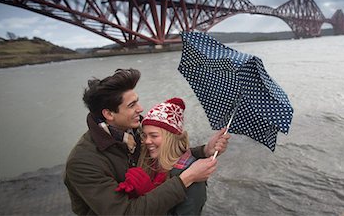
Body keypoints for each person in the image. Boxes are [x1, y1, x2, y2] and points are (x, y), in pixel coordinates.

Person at [63, 68, 230, 215]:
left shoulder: (135, 130)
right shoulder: (83, 162)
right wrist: (187, 178)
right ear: (109, 114)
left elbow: (164, 147)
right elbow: (125, 212)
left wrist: (204, 151)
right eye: (132, 105)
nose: (140, 108)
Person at [117, 97, 208, 215]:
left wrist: (148, 196)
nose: (146, 141)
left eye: (154, 136)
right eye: (144, 135)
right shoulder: (151, 162)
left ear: (171, 138)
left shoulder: (194, 176)